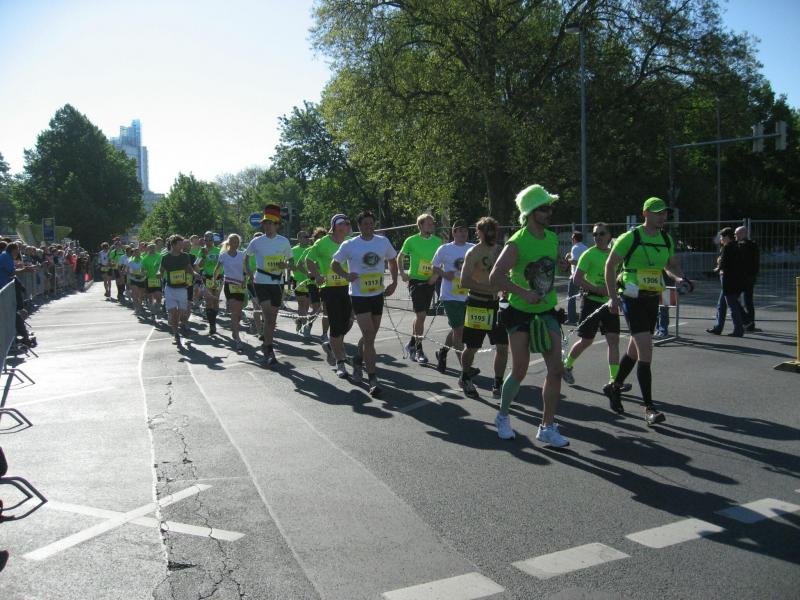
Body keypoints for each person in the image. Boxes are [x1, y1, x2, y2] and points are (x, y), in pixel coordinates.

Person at [489, 184, 571, 447]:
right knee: (520, 370)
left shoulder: (551, 237)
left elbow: (554, 262)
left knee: (556, 369)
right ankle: (503, 417)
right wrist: (524, 293)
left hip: (547, 311)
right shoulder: (517, 242)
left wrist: (563, 264)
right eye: (544, 208)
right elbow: (495, 276)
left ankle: (547, 427)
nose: (549, 213)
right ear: (531, 212)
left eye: (550, 208)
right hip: (520, 313)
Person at [604, 197, 693, 425]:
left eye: (664, 213)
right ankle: (649, 408)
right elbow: (610, 265)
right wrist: (613, 297)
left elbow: (670, 265)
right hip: (632, 297)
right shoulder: (631, 237)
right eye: (657, 213)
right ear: (645, 214)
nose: (662, 217)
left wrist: (680, 278)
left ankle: (614, 387)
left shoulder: (665, 238)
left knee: (635, 350)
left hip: (652, 298)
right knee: (646, 348)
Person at [331, 210, 398, 395]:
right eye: (365, 224)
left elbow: (393, 261)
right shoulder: (350, 244)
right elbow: (334, 264)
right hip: (359, 296)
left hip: (377, 294)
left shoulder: (382, 242)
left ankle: (358, 359)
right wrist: (346, 275)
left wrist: (394, 282)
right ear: (359, 226)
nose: (368, 227)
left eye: (371, 223)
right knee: (368, 334)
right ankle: (373, 378)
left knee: (371, 335)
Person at [562, 223, 622, 390]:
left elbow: (619, 276)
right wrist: (598, 289)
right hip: (591, 302)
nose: (598, 237)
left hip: (609, 302)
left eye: (602, 234)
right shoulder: (589, 254)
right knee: (586, 340)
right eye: (595, 234)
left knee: (613, 340)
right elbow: (577, 279)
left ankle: (614, 380)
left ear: (609, 235)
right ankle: (567, 365)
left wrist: (617, 292)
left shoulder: (615, 255)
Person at [459, 217, 508, 398]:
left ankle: (498, 383)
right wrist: (490, 289)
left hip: (497, 305)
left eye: (493, 230)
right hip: (477, 304)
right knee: (472, 347)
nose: (491, 233)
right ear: (478, 232)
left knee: (502, 346)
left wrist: (506, 287)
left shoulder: (500, 250)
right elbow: (464, 281)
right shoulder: (473, 252)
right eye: (487, 230)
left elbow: (506, 274)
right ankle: (465, 376)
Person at [245, 205, 293, 365]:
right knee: (268, 315)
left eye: (271, 223)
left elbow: (291, 261)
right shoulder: (256, 241)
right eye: (265, 223)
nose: (267, 226)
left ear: (277, 225)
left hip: (277, 283)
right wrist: (249, 273)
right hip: (261, 282)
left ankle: (267, 344)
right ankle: (269, 348)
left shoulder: (284, 241)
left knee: (272, 318)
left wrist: (285, 265)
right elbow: (246, 257)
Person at [306, 214, 353, 377]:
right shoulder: (322, 242)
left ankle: (334, 346)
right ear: (334, 226)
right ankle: (340, 362)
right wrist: (317, 275)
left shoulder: (350, 242)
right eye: (342, 223)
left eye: (347, 224)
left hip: (348, 287)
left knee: (348, 321)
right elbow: (309, 260)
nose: (345, 226)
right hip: (329, 288)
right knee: (336, 324)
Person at [398, 213, 443, 364]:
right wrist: (402, 273)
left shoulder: (438, 241)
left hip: (430, 282)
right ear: (421, 225)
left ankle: (411, 344)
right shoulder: (411, 240)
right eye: (428, 223)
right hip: (415, 281)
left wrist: (435, 276)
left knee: (420, 317)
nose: (431, 226)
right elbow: (400, 257)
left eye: (432, 223)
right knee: (421, 315)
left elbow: (442, 260)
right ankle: (418, 349)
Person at [431, 221, 474, 373]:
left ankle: (442, 352)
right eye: (459, 231)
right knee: (459, 330)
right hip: (450, 296)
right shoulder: (445, 249)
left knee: (457, 329)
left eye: (465, 231)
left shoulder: (473, 248)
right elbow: (434, 267)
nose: (463, 233)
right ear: (453, 233)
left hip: (468, 295)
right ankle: (465, 369)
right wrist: (444, 274)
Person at [707, 227, 746, 337]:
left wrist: (717, 269)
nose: (720, 239)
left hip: (728, 279)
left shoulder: (727, 247)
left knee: (732, 305)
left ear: (727, 237)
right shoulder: (736, 246)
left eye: (722, 237)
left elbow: (724, 263)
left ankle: (738, 329)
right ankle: (718, 328)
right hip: (734, 279)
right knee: (722, 304)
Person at [159, 235, 196, 345]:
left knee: (182, 314)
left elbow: (189, 268)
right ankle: (176, 334)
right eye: (180, 244)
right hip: (170, 289)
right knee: (173, 314)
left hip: (182, 289)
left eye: (182, 244)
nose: (182, 246)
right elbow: (161, 271)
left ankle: (183, 325)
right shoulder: (165, 257)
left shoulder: (185, 256)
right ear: (173, 245)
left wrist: (195, 274)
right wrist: (158, 274)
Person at [215, 234, 247, 350]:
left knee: (238, 313)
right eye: (233, 241)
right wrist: (214, 281)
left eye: (237, 242)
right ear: (229, 243)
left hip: (240, 285)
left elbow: (245, 270)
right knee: (234, 311)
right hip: (229, 285)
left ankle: (235, 329)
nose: (235, 244)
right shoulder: (223, 255)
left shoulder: (242, 255)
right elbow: (217, 269)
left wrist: (246, 280)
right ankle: (238, 339)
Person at [196, 232, 223, 335]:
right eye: (206, 240)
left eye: (210, 240)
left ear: (213, 240)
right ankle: (212, 325)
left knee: (215, 301)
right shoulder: (202, 250)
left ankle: (213, 321)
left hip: (218, 278)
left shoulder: (219, 250)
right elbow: (199, 266)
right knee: (208, 300)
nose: (208, 242)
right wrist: (204, 255)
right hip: (207, 277)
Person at [735, 225, 760, 332]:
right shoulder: (752, 245)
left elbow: (744, 262)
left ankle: (747, 321)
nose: (736, 236)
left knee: (733, 299)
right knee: (748, 301)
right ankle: (750, 324)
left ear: (744, 234)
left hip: (743, 277)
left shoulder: (744, 245)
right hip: (749, 277)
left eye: (737, 233)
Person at [291, 230, 313, 335]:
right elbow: (289, 264)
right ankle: (304, 326)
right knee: (301, 304)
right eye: (305, 237)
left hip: (310, 280)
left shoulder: (311, 249)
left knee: (307, 304)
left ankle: (300, 320)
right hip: (298, 280)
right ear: (299, 238)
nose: (307, 239)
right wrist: (292, 268)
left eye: (308, 237)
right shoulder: (293, 250)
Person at [566, 231, 588, 325]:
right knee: (584, 298)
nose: (571, 240)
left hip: (575, 276)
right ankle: (584, 318)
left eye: (572, 238)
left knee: (571, 298)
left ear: (574, 239)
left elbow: (575, 261)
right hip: (585, 276)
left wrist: (568, 259)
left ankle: (572, 318)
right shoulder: (585, 247)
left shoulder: (575, 247)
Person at [141, 243, 163, 319]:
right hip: (149, 279)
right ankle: (152, 313)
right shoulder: (145, 258)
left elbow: (162, 265)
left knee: (159, 296)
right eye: (150, 248)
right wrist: (144, 272)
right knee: (151, 297)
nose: (152, 249)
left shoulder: (159, 256)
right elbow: (142, 269)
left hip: (157, 279)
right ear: (147, 249)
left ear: (155, 248)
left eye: (153, 247)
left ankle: (157, 309)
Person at [126, 246, 147, 315]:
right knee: (135, 294)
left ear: (140, 253)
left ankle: (140, 306)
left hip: (142, 279)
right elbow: (127, 271)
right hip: (133, 279)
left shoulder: (144, 259)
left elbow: (146, 269)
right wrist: (132, 275)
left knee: (140, 295)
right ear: (133, 253)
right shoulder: (130, 260)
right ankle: (136, 308)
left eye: (138, 252)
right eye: (135, 252)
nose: (137, 253)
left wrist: (143, 274)